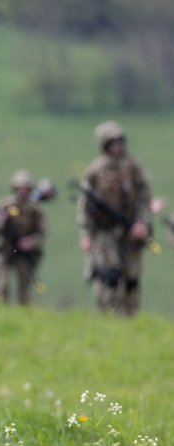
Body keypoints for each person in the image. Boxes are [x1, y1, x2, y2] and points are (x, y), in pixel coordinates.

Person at [78, 121, 152, 316]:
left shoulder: (133, 167)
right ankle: (110, 317)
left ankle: (130, 318)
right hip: (105, 231)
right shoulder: (95, 170)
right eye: (113, 142)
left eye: (120, 141)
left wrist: (142, 222)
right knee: (109, 276)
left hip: (131, 230)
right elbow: (84, 205)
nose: (118, 146)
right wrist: (86, 234)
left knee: (132, 277)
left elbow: (145, 195)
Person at [0, 171, 46, 304]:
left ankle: (24, 311)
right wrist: (2, 220)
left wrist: (30, 242)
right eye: (19, 188)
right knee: (1, 284)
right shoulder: (5, 205)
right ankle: (1, 309)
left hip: (24, 252)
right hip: (5, 247)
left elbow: (42, 233)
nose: (22, 192)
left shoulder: (35, 210)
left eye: (25, 188)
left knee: (25, 287)